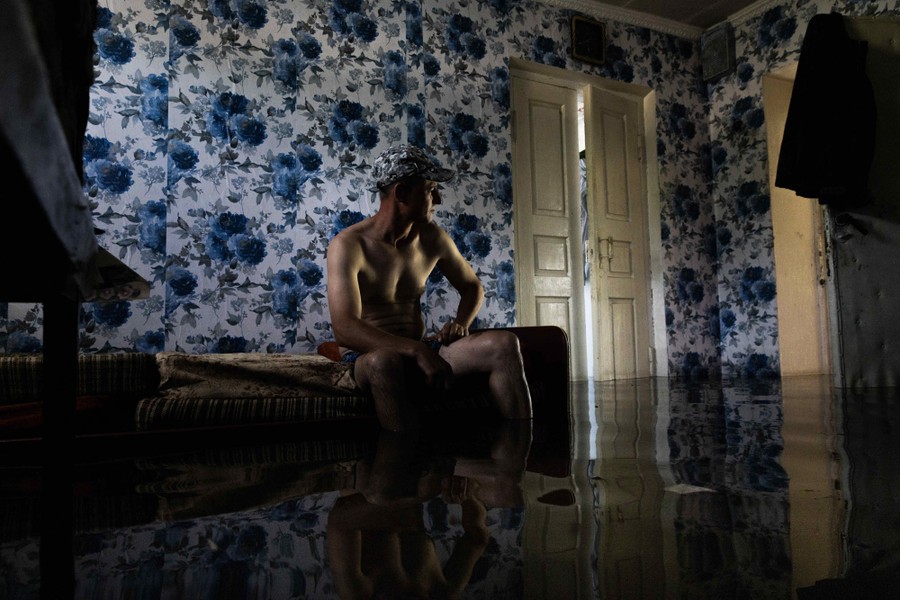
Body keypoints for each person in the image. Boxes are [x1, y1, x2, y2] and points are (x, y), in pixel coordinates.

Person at [325, 145, 533, 431]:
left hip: (421, 347)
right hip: (367, 356)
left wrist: (461, 324)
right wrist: (417, 352)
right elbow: (345, 328)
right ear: (401, 193)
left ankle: (522, 457)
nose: (438, 198)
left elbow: (472, 286)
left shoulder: (431, 236)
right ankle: (405, 466)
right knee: (385, 362)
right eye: (431, 189)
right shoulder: (348, 245)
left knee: (504, 344)